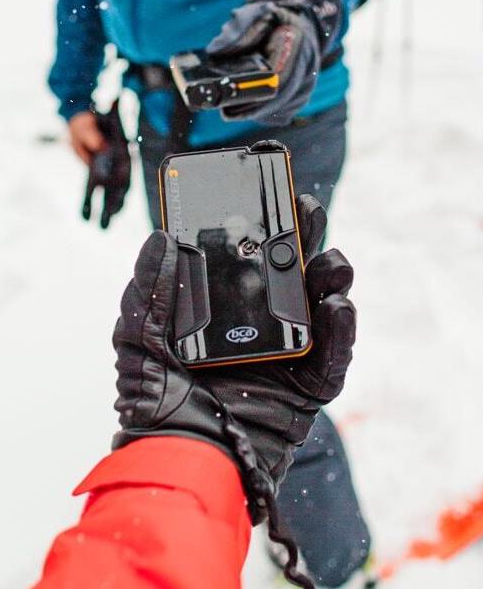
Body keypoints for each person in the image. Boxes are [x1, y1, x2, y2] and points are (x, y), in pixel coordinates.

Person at [47, 0, 372, 585]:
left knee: (252, 356)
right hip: (166, 118)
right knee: (206, 338)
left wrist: (305, 8)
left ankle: (332, 558)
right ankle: (265, 526)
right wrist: (76, 96)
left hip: (277, 113)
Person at [32, 197, 357, 589]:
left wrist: (194, 444)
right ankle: (336, 560)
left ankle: (339, 563)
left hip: (280, 155)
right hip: (176, 163)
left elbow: (137, 566)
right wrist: (211, 449)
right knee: (206, 286)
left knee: (276, 296)